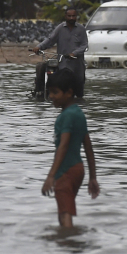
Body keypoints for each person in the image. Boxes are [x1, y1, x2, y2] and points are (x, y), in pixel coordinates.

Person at [41, 70, 99, 228]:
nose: (51, 96)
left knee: (65, 213)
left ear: (69, 93)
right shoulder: (79, 114)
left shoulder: (66, 116)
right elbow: (88, 146)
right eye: (49, 92)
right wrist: (92, 177)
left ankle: (69, 246)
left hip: (66, 171)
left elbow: (64, 145)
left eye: (55, 92)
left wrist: (51, 176)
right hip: (78, 169)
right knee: (65, 209)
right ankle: (69, 242)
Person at [32, 6, 89, 98]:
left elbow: (84, 45)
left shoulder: (81, 29)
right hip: (63, 64)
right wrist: (39, 47)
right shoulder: (60, 28)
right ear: (65, 16)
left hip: (77, 65)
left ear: (76, 17)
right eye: (69, 16)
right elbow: (50, 40)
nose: (71, 18)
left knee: (79, 92)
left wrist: (74, 53)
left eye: (73, 16)